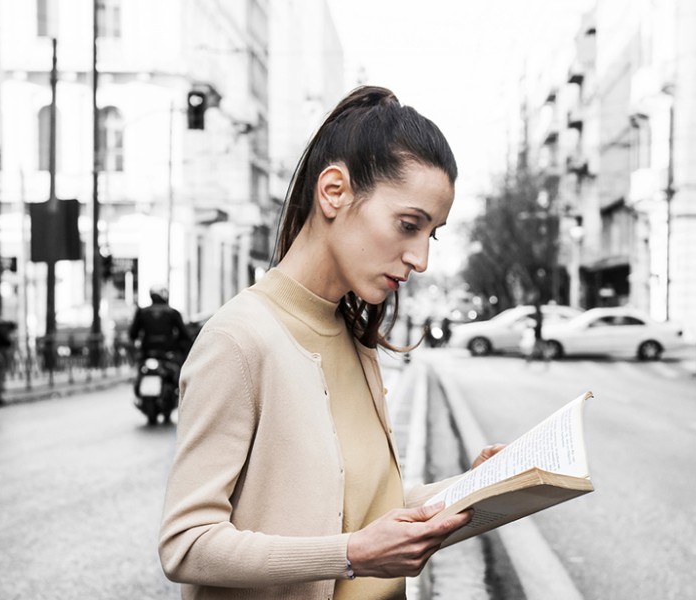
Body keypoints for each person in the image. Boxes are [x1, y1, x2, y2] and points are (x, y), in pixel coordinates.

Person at [158, 86, 504, 600]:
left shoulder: (354, 338)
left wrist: (474, 490)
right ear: (334, 192)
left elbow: (358, 505)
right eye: (409, 225)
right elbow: (186, 544)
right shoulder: (239, 340)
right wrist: (350, 555)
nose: (420, 259)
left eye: (431, 235)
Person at [128, 286, 192, 361]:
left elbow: (133, 334)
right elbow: (184, 335)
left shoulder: (142, 312)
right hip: (168, 353)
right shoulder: (173, 313)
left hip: (147, 353)